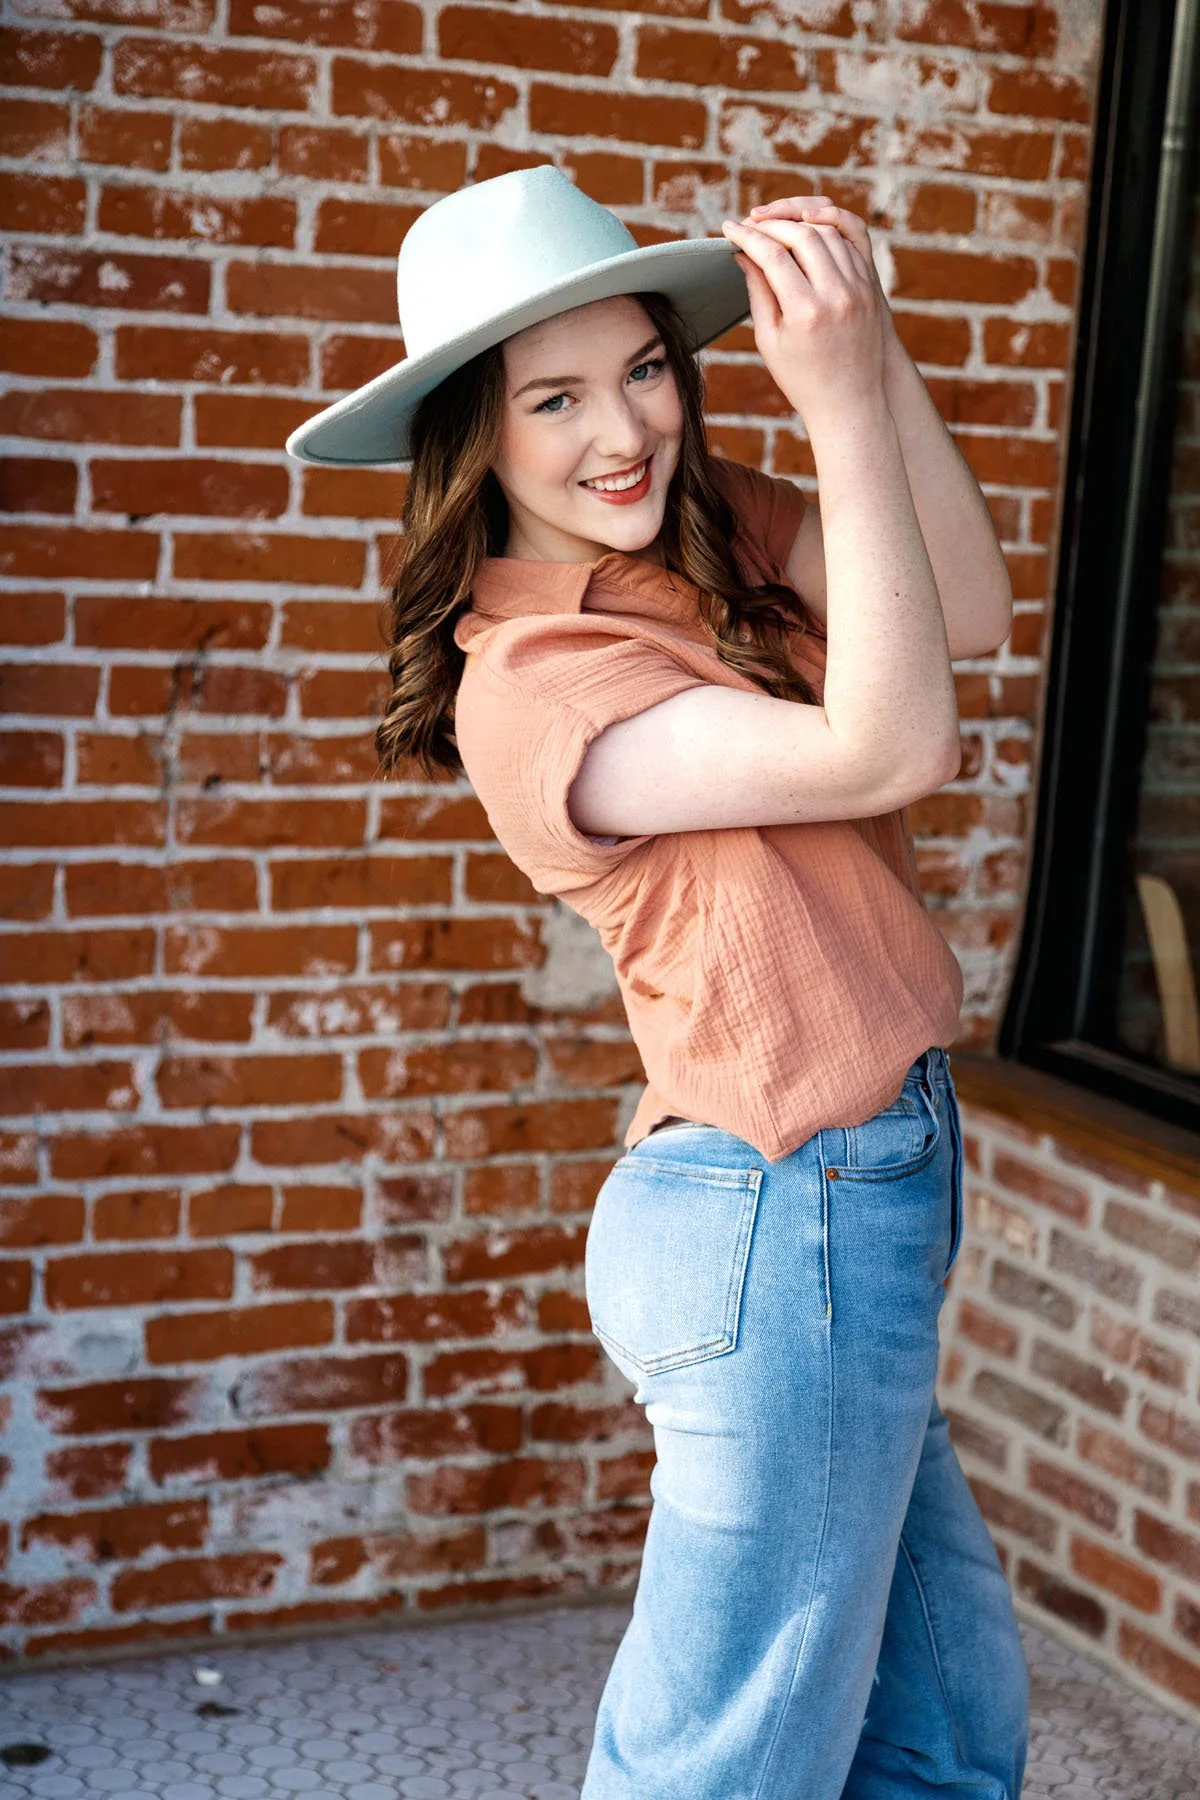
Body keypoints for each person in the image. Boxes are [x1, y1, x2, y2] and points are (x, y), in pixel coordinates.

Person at [287, 164, 1030, 1800]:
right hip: (782, 1218)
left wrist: (874, 353)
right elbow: (891, 741)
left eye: (643, 368)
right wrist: (835, 395)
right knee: (720, 1768)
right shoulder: (536, 682)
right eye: (553, 397)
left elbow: (963, 606)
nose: (622, 430)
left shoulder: (703, 532)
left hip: (858, 1190)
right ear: (473, 439)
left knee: (947, 1736)